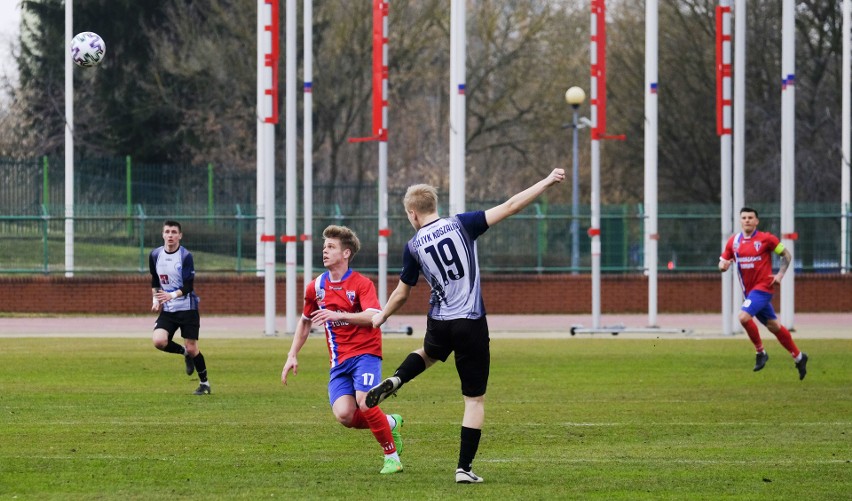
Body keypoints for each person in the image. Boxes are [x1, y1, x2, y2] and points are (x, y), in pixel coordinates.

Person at [365, 168, 566, 484]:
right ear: (435, 206)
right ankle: (464, 468)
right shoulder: (462, 224)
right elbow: (511, 205)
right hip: (470, 322)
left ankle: (397, 379)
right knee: (474, 400)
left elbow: (402, 292)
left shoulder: (413, 246)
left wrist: (381, 317)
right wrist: (545, 181)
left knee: (428, 354)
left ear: (413, 214)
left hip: (440, 321)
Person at [281, 225, 404, 475]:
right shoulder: (315, 287)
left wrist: (339, 315)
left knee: (366, 403)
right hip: (339, 361)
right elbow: (305, 321)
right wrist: (292, 354)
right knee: (345, 415)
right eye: (324, 247)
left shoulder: (361, 284)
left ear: (346, 253)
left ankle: (392, 457)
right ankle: (390, 422)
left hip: (366, 354)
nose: (324, 251)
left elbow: (374, 316)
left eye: (331, 247)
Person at [719, 207, 808, 380]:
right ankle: (799, 357)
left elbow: (786, 255)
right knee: (774, 327)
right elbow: (722, 262)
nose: (747, 220)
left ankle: (761, 352)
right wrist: (723, 267)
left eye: (750, 217)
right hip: (750, 293)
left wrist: (780, 275)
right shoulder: (733, 242)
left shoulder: (766, 239)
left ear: (756, 221)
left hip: (763, 288)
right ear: (740, 220)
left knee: (743, 317)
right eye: (744, 217)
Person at [150, 220, 211, 395]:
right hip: (168, 310)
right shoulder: (155, 255)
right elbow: (155, 280)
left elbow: (188, 286)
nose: (170, 235)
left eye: (174, 232)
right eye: (167, 232)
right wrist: (156, 299)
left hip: (188, 308)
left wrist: (171, 295)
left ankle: (205, 384)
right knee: (159, 341)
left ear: (180, 235)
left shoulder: (185, 256)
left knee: (193, 348)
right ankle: (184, 353)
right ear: (163, 234)